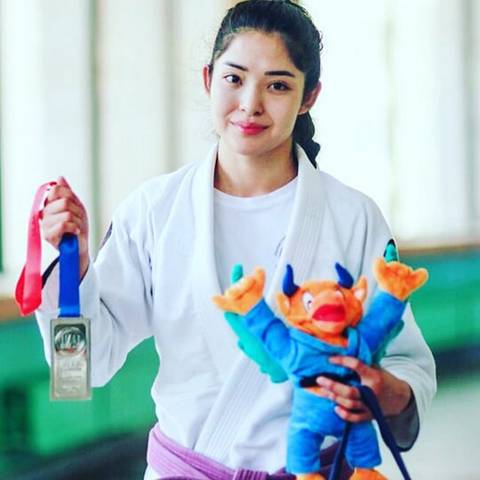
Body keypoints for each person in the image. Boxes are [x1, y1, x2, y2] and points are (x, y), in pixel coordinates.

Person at [36, 1, 436, 479]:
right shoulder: (154, 211)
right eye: (234, 78)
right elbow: (80, 367)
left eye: (278, 85)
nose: (250, 103)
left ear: (309, 96)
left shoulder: (352, 216)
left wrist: (384, 391)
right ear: (208, 80)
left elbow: (405, 362)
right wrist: (74, 269)